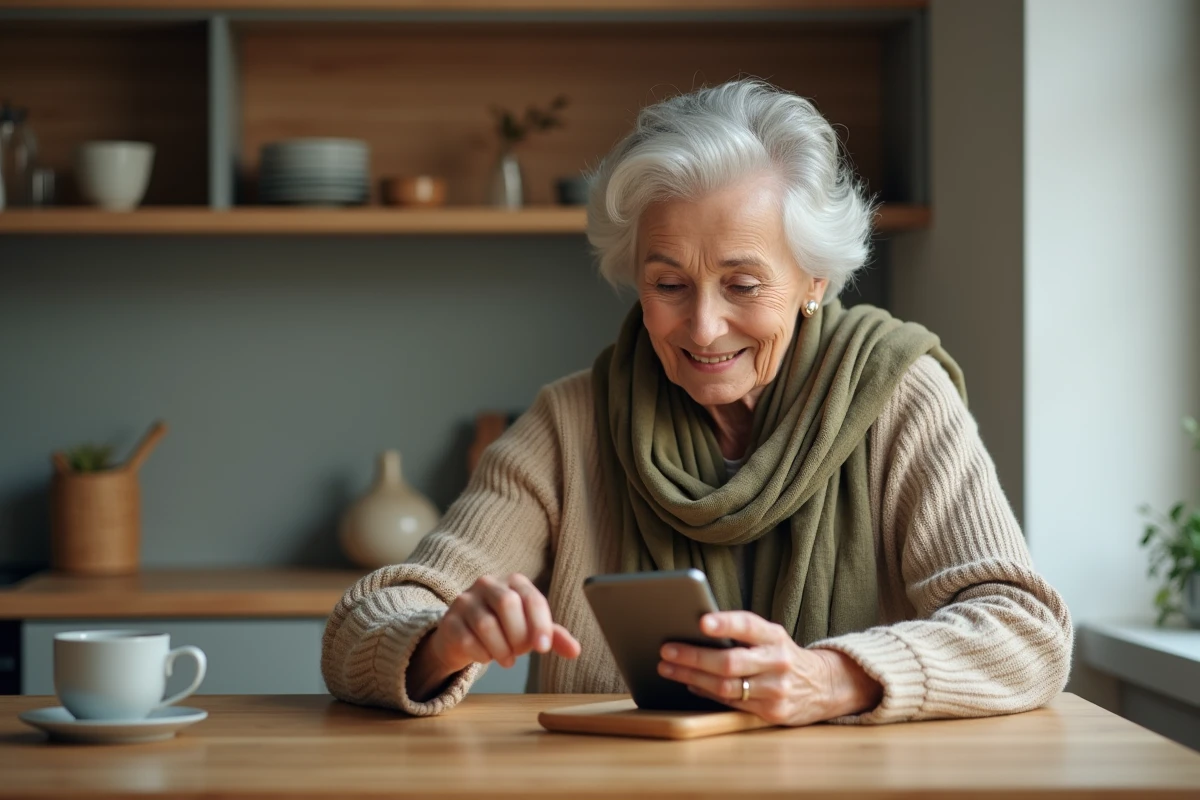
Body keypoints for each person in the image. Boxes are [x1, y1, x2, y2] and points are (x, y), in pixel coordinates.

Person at [322, 80, 1072, 726]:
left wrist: (832, 678)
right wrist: (444, 638)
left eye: (742, 285)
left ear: (814, 280)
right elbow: (360, 629)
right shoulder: (571, 423)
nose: (704, 327)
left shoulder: (898, 399)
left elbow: (1027, 631)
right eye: (668, 284)